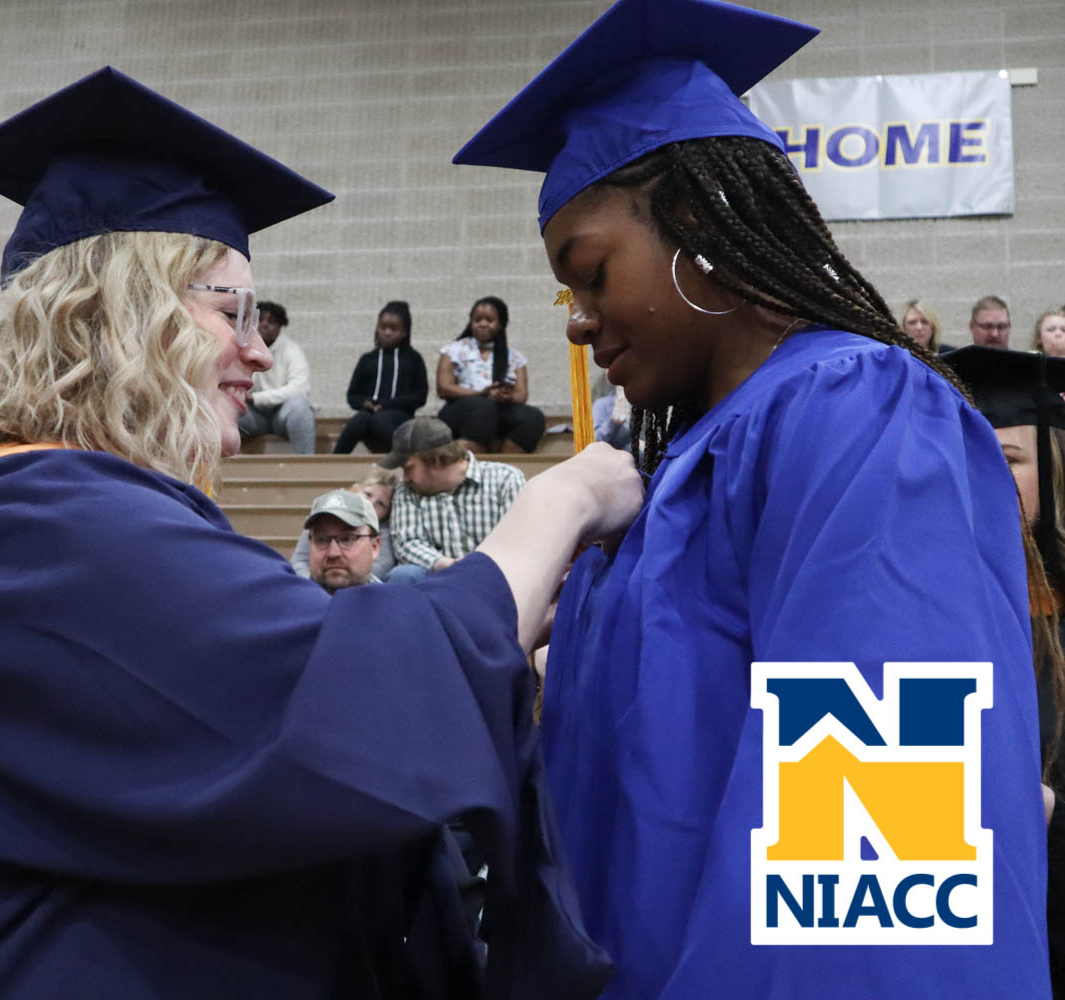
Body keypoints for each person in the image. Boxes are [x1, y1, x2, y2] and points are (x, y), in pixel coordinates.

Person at [0, 67, 634, 1000]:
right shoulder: (43, 519)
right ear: (119, 318)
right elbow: (346, 701)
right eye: (232, 309)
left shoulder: (61, 517)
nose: (259, 349)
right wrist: (559, 505)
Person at [453, 0, 1049, 996]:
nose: (579, 322)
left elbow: (875, 862)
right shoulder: (673, 474)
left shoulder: (858, 417)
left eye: (591, 274)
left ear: (702, 222)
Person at [946, 346, 1065, 995]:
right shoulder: (928, 604)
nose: (984, 472)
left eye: (1011, 458)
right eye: (969, 452)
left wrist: (1046, 810)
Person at [382, 416, 526, 586]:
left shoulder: (506, 479)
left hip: (498, 577)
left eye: (409, 469)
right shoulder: (407, 490)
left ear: (435, 461)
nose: (405, 478)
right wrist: (445, 563)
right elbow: (407, 542)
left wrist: (482, 567)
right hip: (440, 581)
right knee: (404, 575)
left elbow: (520, 538)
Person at [436, 296, 545, 453]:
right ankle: (468, 456)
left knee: (532, 416)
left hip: (498, 409)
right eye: (477, 319)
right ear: (470, 321)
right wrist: (481, 393)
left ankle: (507, 462)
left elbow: (521, 395)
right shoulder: (453, 350)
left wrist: (507, 397)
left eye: (489, 320)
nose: (483, 324)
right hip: (461, 410)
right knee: (483, 406)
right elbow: (444, 388)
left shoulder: (515, 357)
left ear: (501, 324)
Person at [333, 300, 429, 454]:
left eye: (394, 329)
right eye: (383, 328)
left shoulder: (413, 359)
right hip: (369, 416)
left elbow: (420, 396)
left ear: (405, 332)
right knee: (360, 419)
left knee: (379, 418)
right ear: (377, 328)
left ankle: (407, 457)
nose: (387, 333)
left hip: (399, 418)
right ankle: (334, 462)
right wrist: (365, 403)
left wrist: (388, 404)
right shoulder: (367, 359)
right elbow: (352, 395)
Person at [237, 299, 317, 453]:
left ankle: (306, 465)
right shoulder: (242, 348)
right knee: (225, 408)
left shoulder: (292, 351)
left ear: (280, 327)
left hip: (283, 414)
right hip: (255, 416)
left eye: (271, 321)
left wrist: (256, 398)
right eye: (259, 320)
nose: (264, 324)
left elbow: (300, 388)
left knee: (300, 407)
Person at [291, 467, 398, 580]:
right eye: (368, 494)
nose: (371, 503)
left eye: (381, 504)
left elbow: (381, 566)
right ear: (355, 489)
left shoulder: (384, 532)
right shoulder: (320, 518)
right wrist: (316, 585)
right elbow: (299, 561)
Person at [303, 489, 384, 593]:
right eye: (321, 540)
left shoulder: (394, 606)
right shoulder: (292, 606)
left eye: (347, 539)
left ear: (374, 547)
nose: (333, 553)